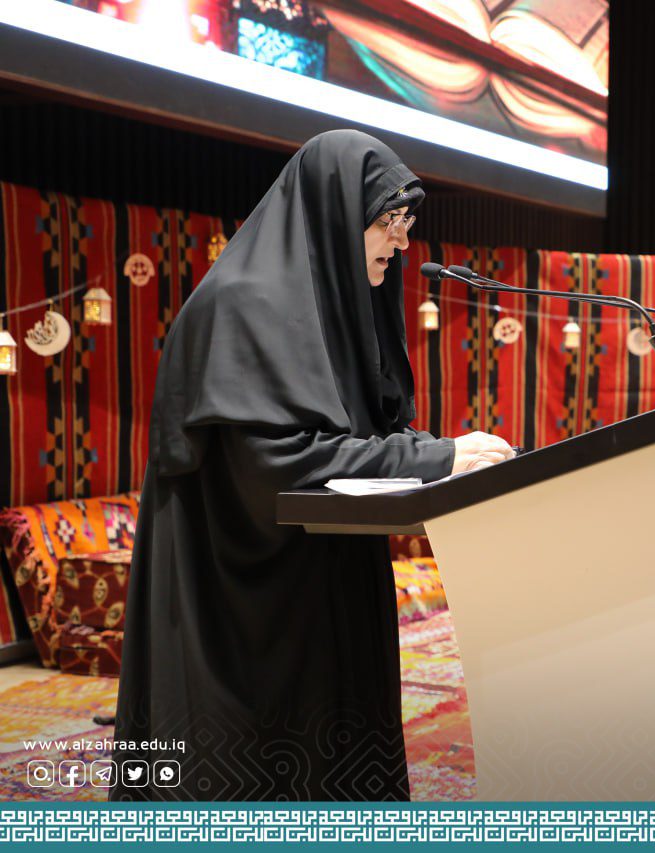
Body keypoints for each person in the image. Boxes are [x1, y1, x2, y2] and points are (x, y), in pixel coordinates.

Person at [111, 130, 515, 801]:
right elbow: (277, 462)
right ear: (335, 214)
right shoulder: (243, 302)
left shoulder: (332, 303)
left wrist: (435, 453)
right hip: (240, 594)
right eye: (388, 221)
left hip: (323, 571)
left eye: (406, 222)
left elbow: (367, 428)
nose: (402, 241)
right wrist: (437, 456)